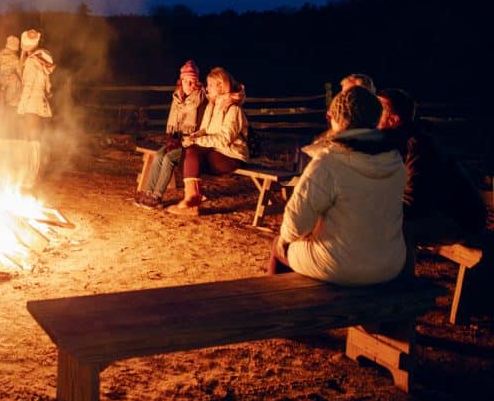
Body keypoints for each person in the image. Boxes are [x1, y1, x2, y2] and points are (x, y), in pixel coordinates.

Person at [268, 87, 407, 284]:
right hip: (390, 263)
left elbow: (295, 221)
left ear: (337, 118)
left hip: (340, 265)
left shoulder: (329, 161)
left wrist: (285, 239)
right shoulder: (394, 160)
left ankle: (276, 308)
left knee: (279, 246)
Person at [377, 88, 487, 252]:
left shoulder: (419, 146)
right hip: (439, 211)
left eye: (378, 111)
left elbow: (413, 202)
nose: (372, 114)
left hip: (460, 220)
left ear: (394, 120)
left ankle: (403, 277)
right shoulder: (399, 142)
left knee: (398, 229)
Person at [167, 66, 249, 216]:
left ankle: (192, 201)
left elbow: (224, 139)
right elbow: (204, 129)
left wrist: (199, 141)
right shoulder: (212, 105)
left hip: (231, 155)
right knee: (187, 151)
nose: (207, 88)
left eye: (210, 85)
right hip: (215, 151)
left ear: (221, 86)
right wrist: (193, 137)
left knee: (192, 153)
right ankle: (192, 201)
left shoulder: (233, 109)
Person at [135, 60, 207, 209]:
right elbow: (172, 122)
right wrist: (171, 139)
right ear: (181, 81)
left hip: (191, 144)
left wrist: (188, 138)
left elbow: (203, 126)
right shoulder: (177, 98)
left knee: (168, 158)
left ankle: (157, 197)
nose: (190, 85)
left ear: (197, 82)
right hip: (177, 140)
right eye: (187, 81)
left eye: (193, 81)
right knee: (158, 156)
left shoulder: (201, 99)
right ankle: (149, 193)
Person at [17, 28, 55, 187]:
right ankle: (34, 174)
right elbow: (48, 87)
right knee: (35, 140)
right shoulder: (42, 61)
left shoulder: (32, 62)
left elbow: (28, 86)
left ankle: (30, 177)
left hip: (31, 106)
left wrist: (22, 106)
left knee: (31, 140)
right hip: (39, 106)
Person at [0, 34, 22, 135]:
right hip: (11, 87)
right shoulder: (15, 59)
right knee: (11, 108)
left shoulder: (1, 55)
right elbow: (21, 74)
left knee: (1, 110)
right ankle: (9, 130)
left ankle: (1, 130)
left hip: (1, 85)